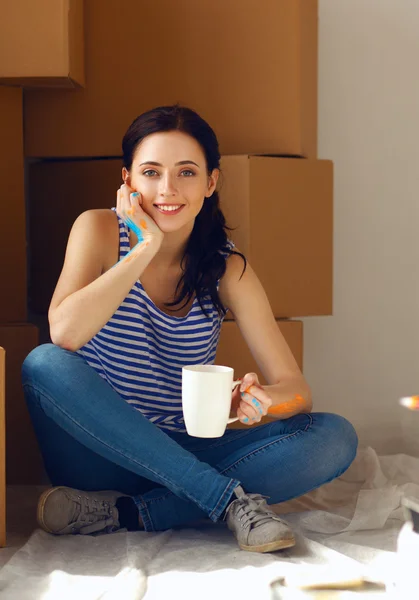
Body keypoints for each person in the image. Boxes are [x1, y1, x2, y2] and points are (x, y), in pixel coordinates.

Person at [22, 105, 358, 553]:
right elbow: (63, 334)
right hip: (97, 454)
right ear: (128, 182)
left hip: (183, 452)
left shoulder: (226, 267)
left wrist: (263, 400)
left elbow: (297, 389)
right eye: (151, 172)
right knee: (43, 363)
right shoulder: (98, 229)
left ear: (211, 182)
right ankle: (224, 500)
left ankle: (132, 513)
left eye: (185, 172)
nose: (168, 189)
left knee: (333, 436)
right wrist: (144, 249)